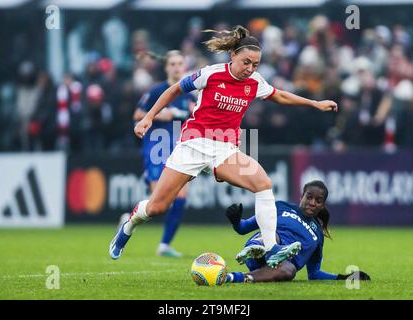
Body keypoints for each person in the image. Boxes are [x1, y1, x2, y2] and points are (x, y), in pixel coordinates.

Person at [109, 25, 338, 268]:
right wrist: (149, 117)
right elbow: (175, 89)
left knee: (263, 184)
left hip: (224, 150)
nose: (250, 69)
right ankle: (128, 226)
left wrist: (314, 103)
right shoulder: (211, 73)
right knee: (157, 207)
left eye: (255, 65)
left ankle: (271, 248)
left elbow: (279, 95)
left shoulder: (254, 82)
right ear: (233, 56)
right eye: (246, 62)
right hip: (193, 145)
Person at [224, 180, 371, 283]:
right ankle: (259, 249)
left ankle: (236, 278)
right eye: (309, 197)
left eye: (318, 200)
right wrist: (235, 220)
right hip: (267, 243)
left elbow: (314, 274)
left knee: (289, 271)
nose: (312, 203)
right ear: (301, 196)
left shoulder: (318, 235)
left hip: (277, 266)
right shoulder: (280, 207)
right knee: (272, 236)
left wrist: (343, 278)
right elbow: (243, 228)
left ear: (323, 205)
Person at [132, 50, 196, 257]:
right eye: (173, 64)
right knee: (158, 204)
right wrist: (161, 114)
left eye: (180, 63)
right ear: (166, 67)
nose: (177, 67)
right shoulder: (157, 90)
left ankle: (164, 245)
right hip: (156, 149)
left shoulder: (192, 93)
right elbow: (137, 115)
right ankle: (129, 217)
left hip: (179, 151)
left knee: (180, 198)